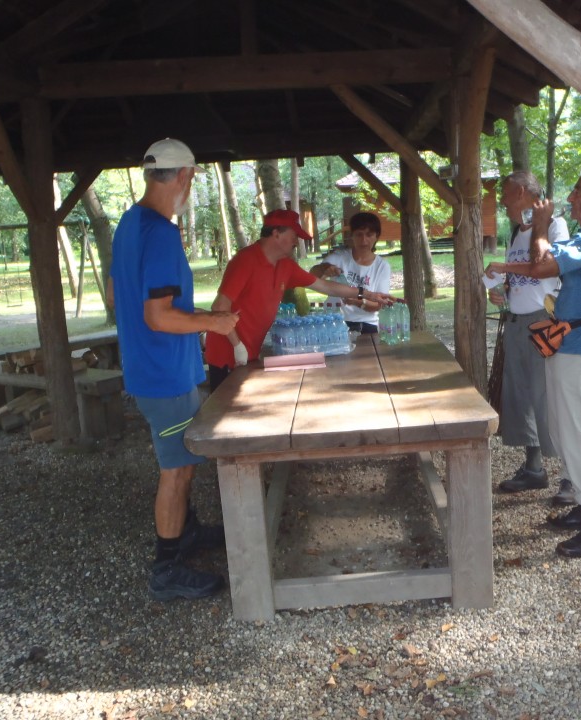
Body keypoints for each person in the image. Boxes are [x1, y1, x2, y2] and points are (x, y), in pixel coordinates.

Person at [110, 138, 241, 601]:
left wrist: (197, 315)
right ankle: (165, 567)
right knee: (177, 469)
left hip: (149, 366)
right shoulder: (161, 232)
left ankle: (188, 531)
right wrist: (215, 322)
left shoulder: (130, 223)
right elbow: (158, 316)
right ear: (184, 176)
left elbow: (135, 302)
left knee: (181, 461)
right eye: (194, 179)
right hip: (165, 374)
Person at [486, 163, 581, 559]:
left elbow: (545, 263)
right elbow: (540, 265)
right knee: (566, 430)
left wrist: (544, 225)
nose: (570, 198)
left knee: (579, 433)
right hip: (571, 343)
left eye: (578, 192)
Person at [204, 208, 396, 390]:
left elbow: (326, 286)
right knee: (225, 409)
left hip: (250, 350)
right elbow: (220, 305)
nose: (296, 241)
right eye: (294, 235)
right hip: (226, 351)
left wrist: (366, 293)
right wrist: (237, 345)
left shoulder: (285, 265)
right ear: (276, 234)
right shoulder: (244, 260)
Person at [486, 172, 575, 506]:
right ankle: (534, 467)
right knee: (522, 395)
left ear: (521, 192)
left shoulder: (554, 226)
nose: (505, 203)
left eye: (508, 196)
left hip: (544, 322)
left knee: (549, 397)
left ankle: (570, 476)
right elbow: (523, 280)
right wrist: (504, 293)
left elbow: (548, 267)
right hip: (518, 321)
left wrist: (507, 270)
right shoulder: (517, 232)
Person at [310, 212, 391, 334]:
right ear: (352, 236)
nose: (364, 240)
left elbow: (378, 304)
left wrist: (358, 302)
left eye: (369, 235)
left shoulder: (382, 266)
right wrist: (324, 268)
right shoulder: (339, 258)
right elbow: (312, 276)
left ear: (376, 236)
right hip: (335, 322)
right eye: (359, 235)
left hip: (366, 324)